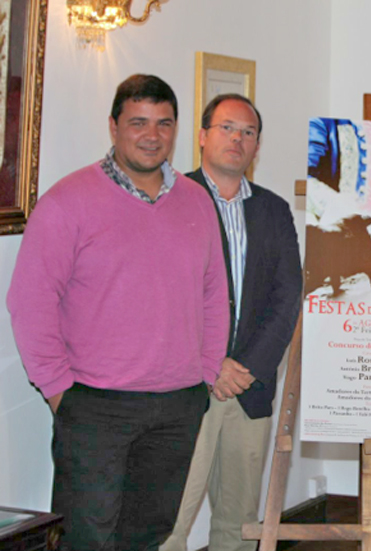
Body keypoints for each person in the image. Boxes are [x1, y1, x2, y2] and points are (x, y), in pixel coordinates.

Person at [6, 74, 229, 551]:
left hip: (178, 405)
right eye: (138, 122)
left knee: (148, 537)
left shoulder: (197, 202)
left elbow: (214, 294)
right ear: (113, 126)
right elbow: (30, 301)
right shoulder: (67, 201)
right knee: (86, 538)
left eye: (164, 123)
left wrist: (206, 375)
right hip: (95, 405)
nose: (152, 135)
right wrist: (59, 392)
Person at [161, 94, 302, 551]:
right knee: (170, 520)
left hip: (248, 388)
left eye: (248, 132)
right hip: (186, 387)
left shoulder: (273, 210)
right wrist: (212, 363)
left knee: (239, 523)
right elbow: (162, 298)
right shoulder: (170, 200)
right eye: (227, 128)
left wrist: (248, 368)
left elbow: (287, 296)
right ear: (203, 136)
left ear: (257, 145)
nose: (237, 139)